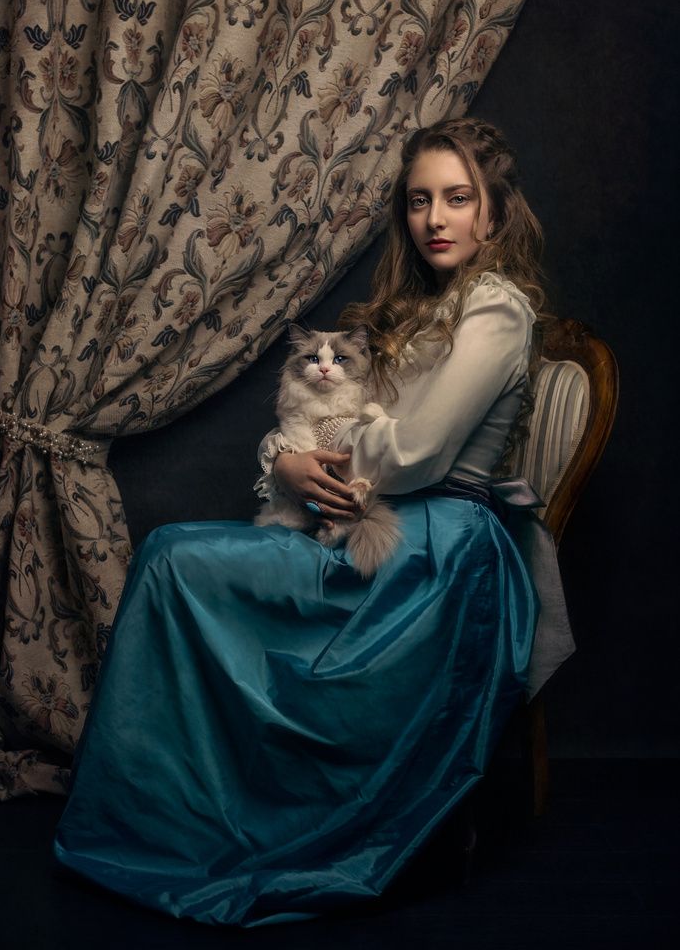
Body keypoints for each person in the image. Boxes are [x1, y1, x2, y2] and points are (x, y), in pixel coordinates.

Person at [54, 117, 561, 927]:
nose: (435, 218)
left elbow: (416, 452)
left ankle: (182, 819)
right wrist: (285, 461)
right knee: (174, 557)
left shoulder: (495, 309)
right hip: (385, 521)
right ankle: (180, 811)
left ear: (493, 214)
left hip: (432, 553)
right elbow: (346, 426)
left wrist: (306, 452)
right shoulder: (433, 302)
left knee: (173, 559)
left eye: (458, 199)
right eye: (419, 200)